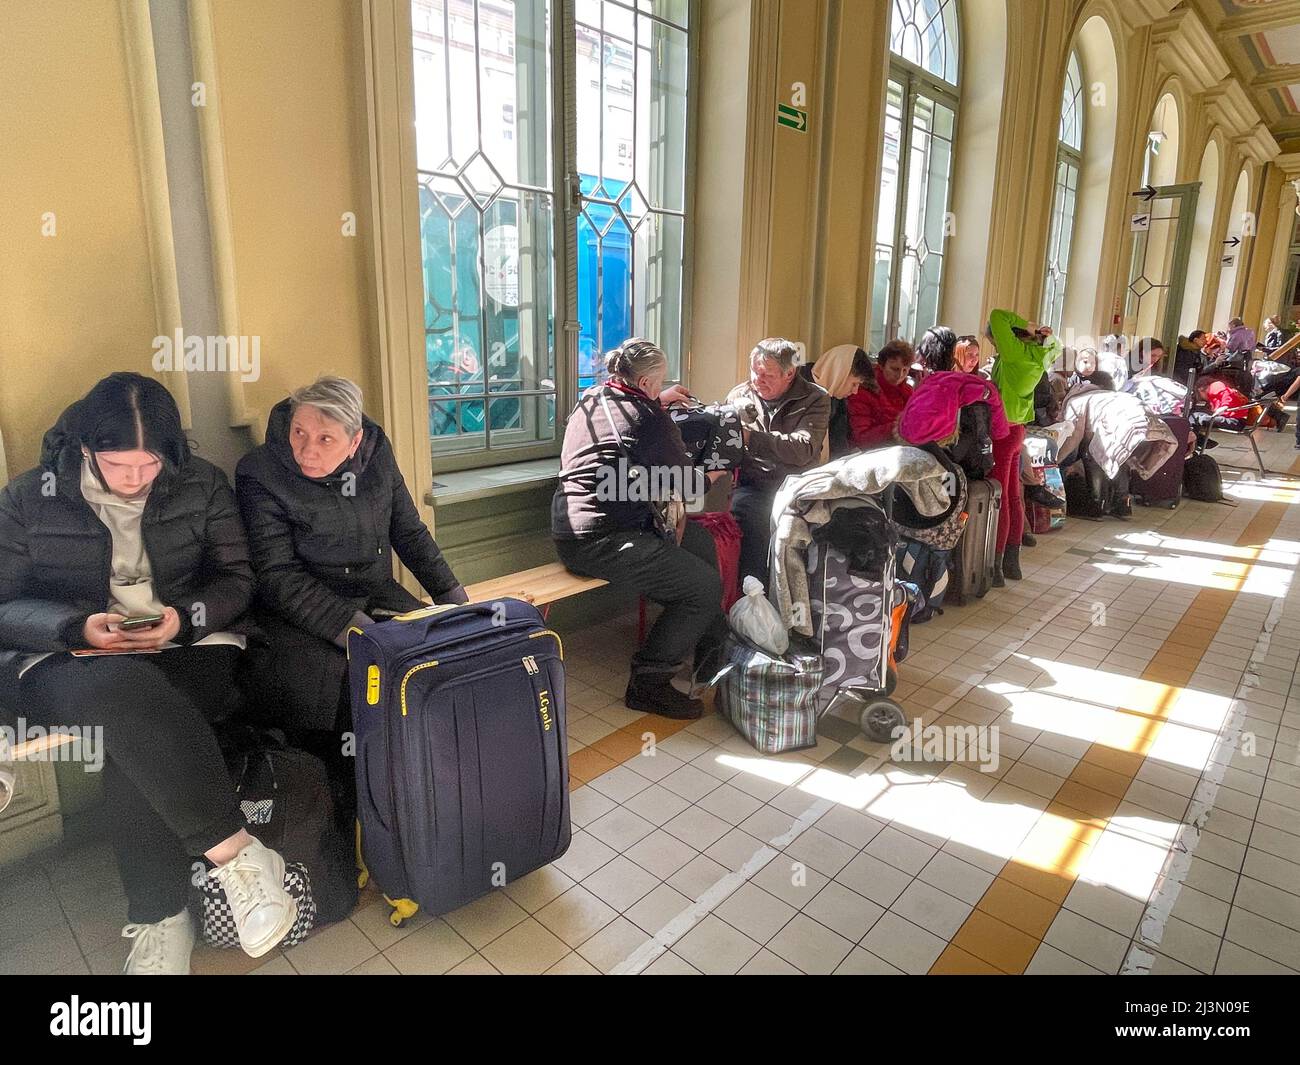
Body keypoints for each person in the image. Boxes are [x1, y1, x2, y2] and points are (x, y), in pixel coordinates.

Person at [0, 373, 298, 974]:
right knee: (125, 704)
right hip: (75, 654)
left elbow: (238, 580)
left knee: (134, 727)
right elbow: (4, 603)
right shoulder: (31, 496)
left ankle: (161, 916)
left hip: (190, 645)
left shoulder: (203, 484)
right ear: (85, 449)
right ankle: (237, 857)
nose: (135, 479)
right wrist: (76, 628)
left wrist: (183, 618)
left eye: (149, 464)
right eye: (117, 464)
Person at [235, 376, 465, 815]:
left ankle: (423, 793)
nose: (307, 449)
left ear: (355, 440)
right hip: (297, 610)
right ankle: (353, 810)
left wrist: (456, 601)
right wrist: (359, 632)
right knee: (343, 689)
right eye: (299, 432)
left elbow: (409, 532)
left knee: (431, 656)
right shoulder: (260, 473)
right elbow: (278, 575)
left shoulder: (377, 456)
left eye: (325, 438)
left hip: (373, 591)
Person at [553, 338, 724, 719]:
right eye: (659, 382)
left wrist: (658, 398)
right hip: (606, 540)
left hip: (571, 531)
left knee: (699, 542)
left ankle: (711, 650)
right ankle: (648, 683)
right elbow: (686, 485)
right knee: (702, 588)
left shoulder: (592, 397)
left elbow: (626, 423)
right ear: (646, 383)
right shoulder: (649, 419)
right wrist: (715, 474)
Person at [727, 338, 831, 585]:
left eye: (767, 375)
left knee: (793, 529)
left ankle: (785, 597)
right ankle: (752, 596)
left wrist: (751, 438)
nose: (757, 380)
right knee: (748, 520)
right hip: (754, 483)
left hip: (797, 486)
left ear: (789, 373)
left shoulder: (815, 398)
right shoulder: (740, 395)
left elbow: (803, 449)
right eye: (754, 371)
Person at [987, 310, 1062, 583]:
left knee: (1001, 497)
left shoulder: (1015, 355)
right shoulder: (1040, 355)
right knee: (1013, 496)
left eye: (995, 343)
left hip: (1002, 430)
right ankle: (1011, 560)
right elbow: (1057, 344)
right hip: (1018, 429)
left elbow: (997, 316)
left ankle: (995, 565)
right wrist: (1041, 335)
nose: (995, 346)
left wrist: (1026, 326)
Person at [801, 344, 875, 462]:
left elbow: (840, 445)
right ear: (840, 374)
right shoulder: (798, 388)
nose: (855, 391)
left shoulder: (837, 399)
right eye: (854, 384)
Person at [846, 339, 915, 449]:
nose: (899, 375)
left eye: (905, 370)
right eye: (894, 369)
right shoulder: (862, 390)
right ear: (881, 366)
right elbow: (861, 438)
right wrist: (897, 427)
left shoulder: (908, 392)